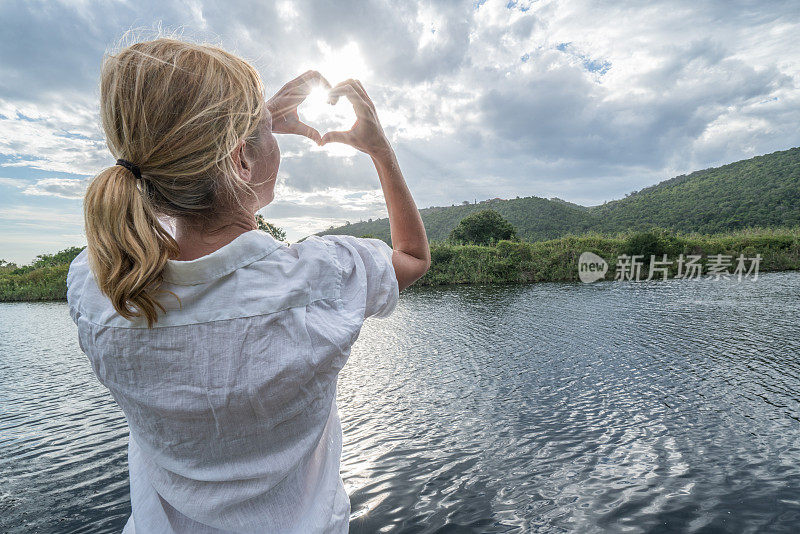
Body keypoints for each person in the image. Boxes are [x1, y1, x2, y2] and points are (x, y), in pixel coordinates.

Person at [66, 37, 430, 533]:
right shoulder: (323, 278)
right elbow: (413, 256)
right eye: (264, 132)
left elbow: (180, 199)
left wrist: (253, 129)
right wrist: (379, 149)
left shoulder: (100, 287)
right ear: (240, 160)